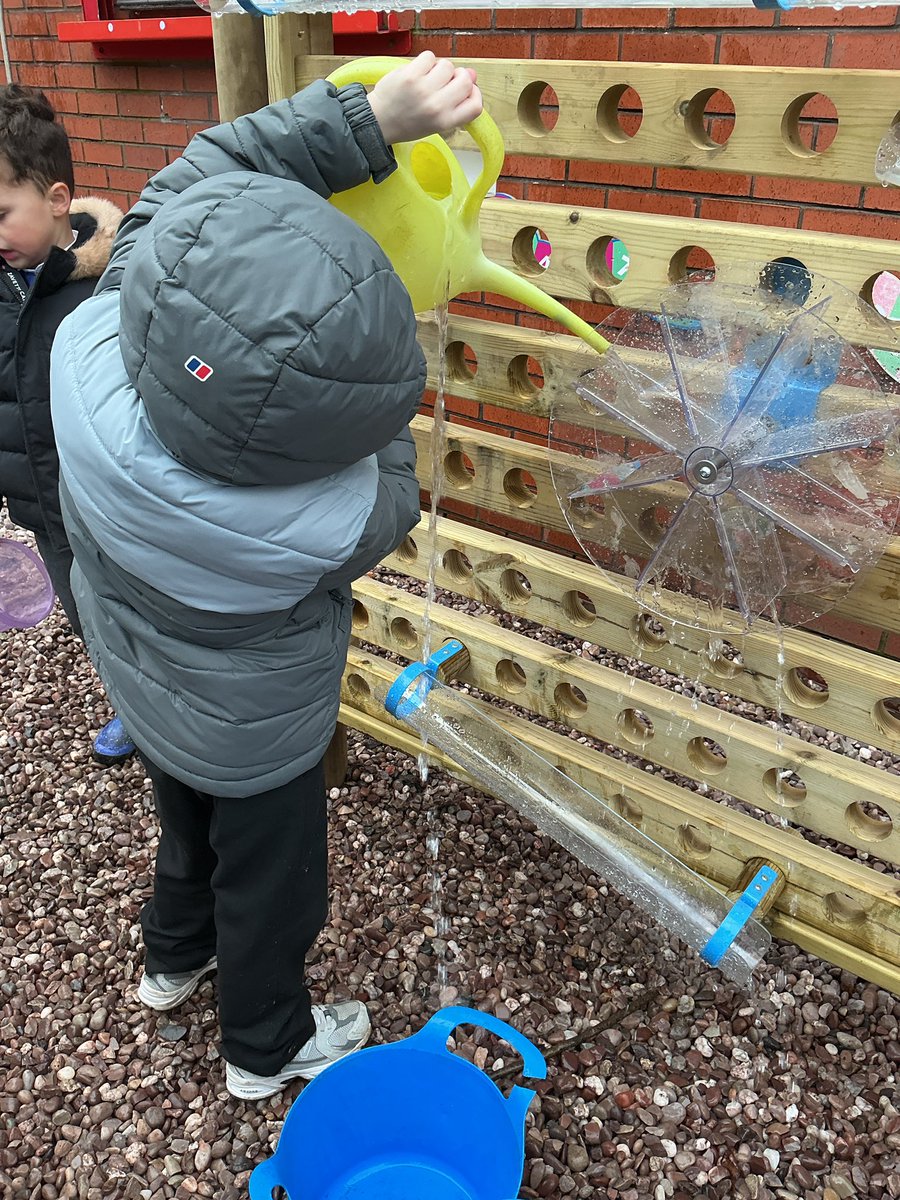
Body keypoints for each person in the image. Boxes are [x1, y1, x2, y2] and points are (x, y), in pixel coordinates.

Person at [51, 52, 483, 1100]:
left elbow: (203, 169)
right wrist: (376, 337)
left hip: (143, 675)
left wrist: (368, 117)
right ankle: (265, 1043)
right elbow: (390, 472)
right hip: (259, 736)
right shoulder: (336, 520)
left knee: (183, 827)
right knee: (271, 885)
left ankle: (171, 960)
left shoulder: (94, 338)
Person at [0, 84, 135, 764]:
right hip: (42, 509)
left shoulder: (108, 289)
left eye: (1, 214)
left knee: (136, 614)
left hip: (112, 510)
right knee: (86, 619)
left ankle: (164, 708)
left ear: (57, 200)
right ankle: (131, 706)